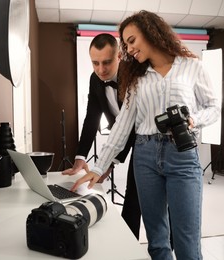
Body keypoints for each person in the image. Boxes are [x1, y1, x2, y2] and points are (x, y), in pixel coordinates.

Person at [70, 10, 220, 260]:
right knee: (157, 240)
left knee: (186, 240)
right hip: (145, 155)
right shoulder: (136, 76)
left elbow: (213, 107)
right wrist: (98, 167)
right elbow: (122, 125)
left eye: (132, 41)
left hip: (182, 155)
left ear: (151, 32)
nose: (128, 49)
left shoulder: (192, 66)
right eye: (125, 43)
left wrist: (193, 120)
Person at [62, 33, 141, 239]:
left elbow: (130, 126)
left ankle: (133, 245)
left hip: (143, 136)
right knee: (134, 197)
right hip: (120, 135)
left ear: (119, 57)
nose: (100, 69)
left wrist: (109, 161)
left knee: (135, 193)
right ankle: (127, 243)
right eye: (95, 63)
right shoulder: (95, 80)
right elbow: (91, 118)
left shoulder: (133, 75)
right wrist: (80, 157)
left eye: (106, 62)